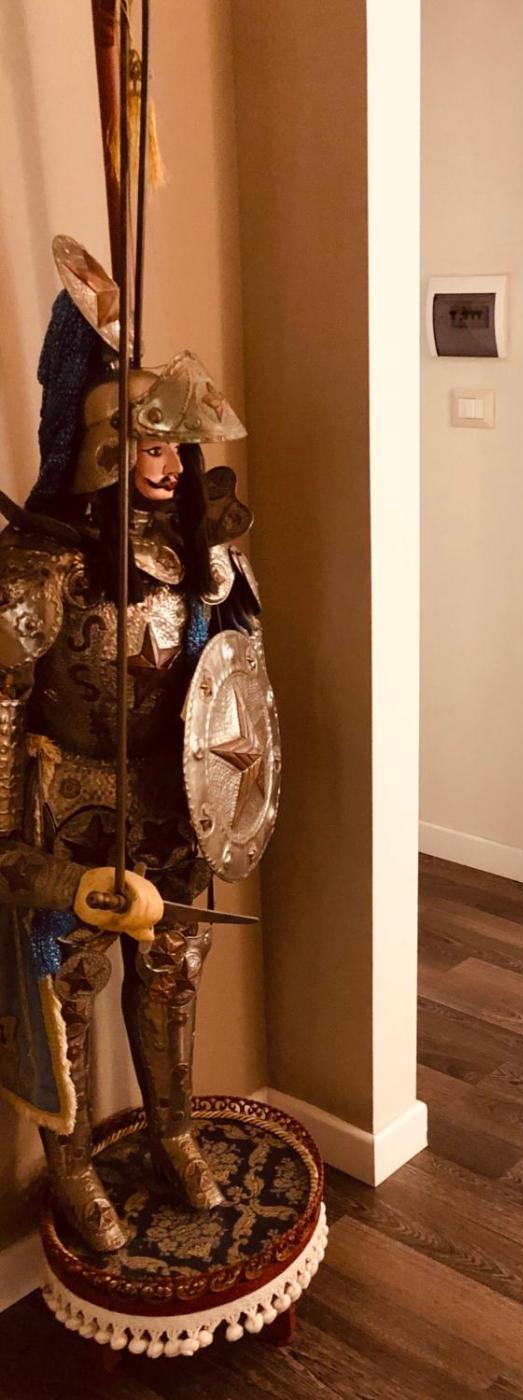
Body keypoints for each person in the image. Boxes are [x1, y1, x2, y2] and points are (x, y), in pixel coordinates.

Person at [0, 237, 274, 1252]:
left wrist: (226, 800)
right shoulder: (40, 566)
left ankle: (172, 1132)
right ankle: (72, 1168)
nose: (166, 466)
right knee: (68, 993)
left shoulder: (205, 554)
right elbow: (3, 710)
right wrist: (21, 858)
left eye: (174, 449)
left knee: (169, 978)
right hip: (71, 813)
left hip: (174, 805)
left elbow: (238, 690)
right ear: (104, 449)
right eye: (147, 446)